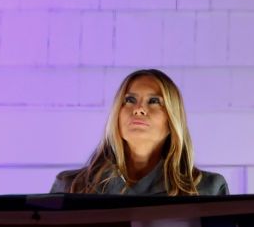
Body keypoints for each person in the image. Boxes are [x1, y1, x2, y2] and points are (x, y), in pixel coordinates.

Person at [51, 69, 228, 196]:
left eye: (154, 101)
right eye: (129, 100)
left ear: (173, 120)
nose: (139, 109)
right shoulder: (71, 186)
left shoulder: (207, 189)